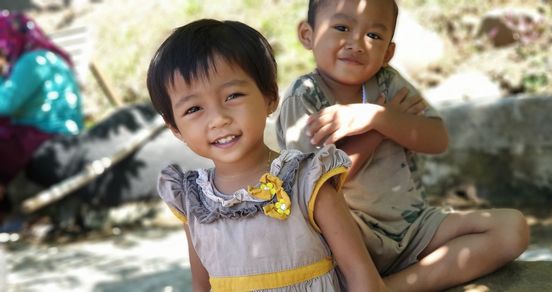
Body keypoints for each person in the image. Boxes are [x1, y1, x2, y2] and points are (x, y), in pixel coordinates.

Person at [276, 0, 530, 290]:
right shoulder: (305, 97)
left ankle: (393, 287)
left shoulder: (386, 83)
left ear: (388, 52)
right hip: (349, 237)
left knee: (512, 228)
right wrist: (377, 130)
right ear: (307, 34)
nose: (357, 43)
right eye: (342, 27)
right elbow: (317, 188)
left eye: (374, 35)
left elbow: (437, 139)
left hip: (413, 227)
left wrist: (375, 115)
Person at [146, 19, 386, 291]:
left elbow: (361, 275)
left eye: (233, 95)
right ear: (175, 128)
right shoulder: (193, 202)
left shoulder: (306, 181)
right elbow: (202, 286)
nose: (218, 119)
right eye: (193, 109)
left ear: (270, 96)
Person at [0, 11, 83, 222]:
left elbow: (6, 104)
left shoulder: (33, 62)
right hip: (46, 130)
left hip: (49, 135)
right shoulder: (35, 58)